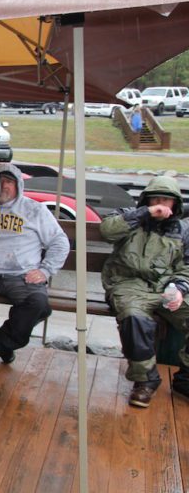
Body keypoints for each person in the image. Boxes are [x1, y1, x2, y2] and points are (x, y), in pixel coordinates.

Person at [0, 162, 70, 371]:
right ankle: (2, 345)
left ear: (18, 185)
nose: (4, 186)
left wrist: (45, 270)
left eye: (9, 182)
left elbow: (59, 241)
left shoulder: (34, 210)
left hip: (21, 276)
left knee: (38, 305)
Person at [100, 175, 189, 409]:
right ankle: (145, 380)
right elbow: (107, 231)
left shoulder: (183, 230)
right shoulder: (130, 216)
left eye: (167, 200)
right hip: (127, 283)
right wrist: (145, 214)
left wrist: (179, 288)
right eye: (155, 198)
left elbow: (187, 266)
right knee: (133, 318)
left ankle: (186, 378)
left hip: (166, 287)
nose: (161, 203)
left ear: (175, 204)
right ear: (146, 199)